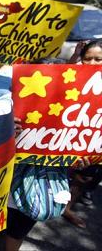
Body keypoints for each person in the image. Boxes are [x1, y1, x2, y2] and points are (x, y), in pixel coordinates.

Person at [62, 39, 102, 229]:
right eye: (88, 59)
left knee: (83, 177)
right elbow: (61, 77)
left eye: (98, 59)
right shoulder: (76, 74)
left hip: (92, 138)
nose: (92, 64)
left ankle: (67, 208)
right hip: (65, 136)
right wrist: (76, 54)